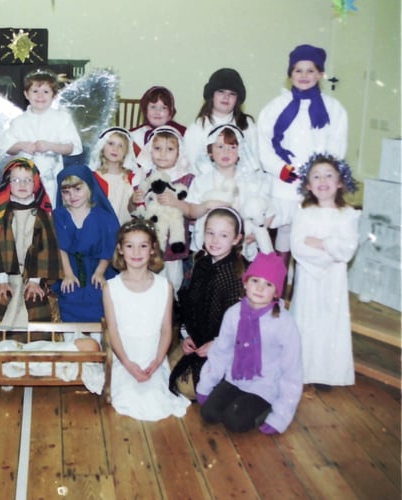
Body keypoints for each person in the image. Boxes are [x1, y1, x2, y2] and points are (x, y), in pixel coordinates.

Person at [258, 44, 348, 273]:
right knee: (284, 231)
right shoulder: (276, 106)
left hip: (315, 186)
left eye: (310, 70)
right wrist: (280, 169)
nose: (304, 76)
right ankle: (279, 285)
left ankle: (300, 287)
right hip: (283, 183)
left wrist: (319, 177)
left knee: (309, 235)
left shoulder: (334, 109)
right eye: (298, 70)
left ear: (320, 74)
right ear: (290, 74)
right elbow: (264, 143)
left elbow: (336, 149)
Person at [197, 252, 303, 435]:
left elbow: (292, 370)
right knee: (209, 413)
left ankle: (266, 407)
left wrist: (281, 415)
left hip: (265, 385)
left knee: (234, 422)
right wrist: (206, 384)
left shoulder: (284, 323)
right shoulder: (233, 314)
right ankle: (238, 401)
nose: (260, 289)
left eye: (268, 284)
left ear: (276, 293)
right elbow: (221, 351)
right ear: (245, 282)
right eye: (255, 281)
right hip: (235, 378)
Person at [103, 220, 191, 421]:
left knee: (156, 399)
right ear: (120, 250)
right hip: (125, 358)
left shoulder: (164, 286)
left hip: (153, 357)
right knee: (129, 398)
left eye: (143, 245)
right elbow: (113, 331)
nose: (136, 252)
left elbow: (166, 330)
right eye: (129, 245)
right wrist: (127, 363)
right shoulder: (111, 288)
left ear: (152, 249)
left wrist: (158, 362)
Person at [290, 154, 359, 390]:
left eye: (329, 175)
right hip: (309, 277)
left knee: (330, 322)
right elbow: (298, 246)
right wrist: (330, 251)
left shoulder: (348, 215)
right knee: (307, 321)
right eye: (316, 176)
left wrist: (321, 243)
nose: (323, 180)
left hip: (334, 281)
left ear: (340, 182)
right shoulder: (303, 212)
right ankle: (303, 369)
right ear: (308, 185)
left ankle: (327, 373)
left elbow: (347, 249)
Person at [0, 158, 62, 327]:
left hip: (33, 273)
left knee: (35, 300)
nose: (22, 184)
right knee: (0, 298)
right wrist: (2, 281)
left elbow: (44, 249)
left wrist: (35, 282)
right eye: (16, 180)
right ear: (8, 183)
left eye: (28, 180)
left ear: (35, 184)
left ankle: (35, 347)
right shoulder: (1, 215)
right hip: (4, 272)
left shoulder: (41, 216)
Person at [168, 207, 246, 399]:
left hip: (226, 345)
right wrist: (189, 336)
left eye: (223, 235)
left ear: (236, 239)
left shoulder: (236, 275)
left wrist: (216, 345)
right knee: (168, 370)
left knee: (187, 388)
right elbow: (193, 308)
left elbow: (242, 324)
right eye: (210, 233)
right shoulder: (202, 264)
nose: (215, 240)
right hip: (200, 338)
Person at [174, 125, 272, 257]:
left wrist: (257, 233)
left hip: (242, 248)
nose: (226, 152)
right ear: (210, 152)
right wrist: (206, 205)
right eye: (220, 147)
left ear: (240, 151)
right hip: (209, 246)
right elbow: (191, 211)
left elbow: (270, 211)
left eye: (232, 147)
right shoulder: (201, 181)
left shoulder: (253, 181)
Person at [0, 68, 83, 205]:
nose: (40, 96)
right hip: (24, 181)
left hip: (51, 178)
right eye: (35, 91)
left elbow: (71, 147)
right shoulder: (19, 121)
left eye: (46, 92)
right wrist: (21, 145)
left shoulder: (62, 118)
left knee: (49, 212)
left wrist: (50, 146)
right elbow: (7, 147)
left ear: (54, 95)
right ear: (26, 94)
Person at [52, 164, 119, 322]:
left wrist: (100, 272)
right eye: (66, 192)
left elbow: (108, 248)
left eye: (77, 189)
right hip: (69, 267)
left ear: (89, 187)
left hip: (98, 267)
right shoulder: (59, 215)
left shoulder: (104, 217)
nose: (72, 196)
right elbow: (61, 249)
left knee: (100, 294)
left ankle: (100, 338)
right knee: (68, 293)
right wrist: (68, 274)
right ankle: (72, 340)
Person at [133, 125, 196, 292]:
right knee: (149, 279)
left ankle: (171, 309)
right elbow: (134, 208)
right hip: (150, 238)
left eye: (169, 149)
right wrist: (135, 200)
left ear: (179, 152)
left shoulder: (186, 179)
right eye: (157, 148)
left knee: (172, 281)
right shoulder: (145, 176)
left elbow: (192, 210)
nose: (162, 154)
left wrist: (175, 202)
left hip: (173, 240)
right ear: (150, 151)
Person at [183, 68, 259, 175]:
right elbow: (192, 167)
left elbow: (256, 162)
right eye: (221, 91)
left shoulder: (247, 125)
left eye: (232, 93)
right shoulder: (197, 128)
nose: (226, 97)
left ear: (237, 99)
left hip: (243, 186)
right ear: (212, 95)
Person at [129, 86, 187, 171]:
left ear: (170, 113)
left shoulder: (182, 134)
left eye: (163, 108)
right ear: (145, 111)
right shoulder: (134, 136)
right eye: (153, 107)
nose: (157, 112)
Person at [88, 127, 136, 224]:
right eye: (111, 144)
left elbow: (134, 209)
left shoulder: (131, 178)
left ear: (126, 152)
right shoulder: (93, 177)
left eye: (121, 146)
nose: (115, 149)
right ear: (102, 147)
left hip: (125, 230)